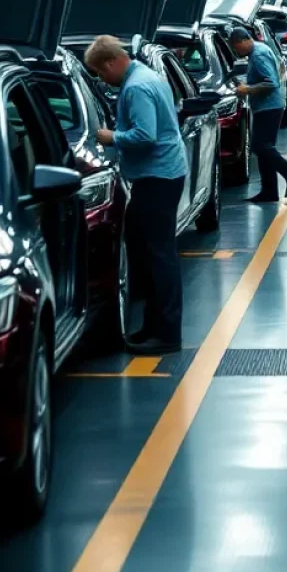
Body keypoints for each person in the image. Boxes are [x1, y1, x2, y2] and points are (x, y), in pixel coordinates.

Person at [84, 35, 187, 355]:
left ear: (111, 62)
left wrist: (110, 136)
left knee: (159, 257)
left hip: (158, 177)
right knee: (148, 255)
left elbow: (145, 135)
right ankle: (152, 328)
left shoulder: (138, 87)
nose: (102, 80)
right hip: (159, 175)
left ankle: (167, 334)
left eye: (101, 73)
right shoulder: (144, 76)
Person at [230, 26, 287, 203]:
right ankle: (269, 191)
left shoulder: (259, 54)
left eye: (236, 47)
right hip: (268, 106)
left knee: (259, 146)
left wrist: (247, 89)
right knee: (265, 148)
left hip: (269, 107)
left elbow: (271, 82)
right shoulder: (258, 51)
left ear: (243, 41)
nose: (236, 52)